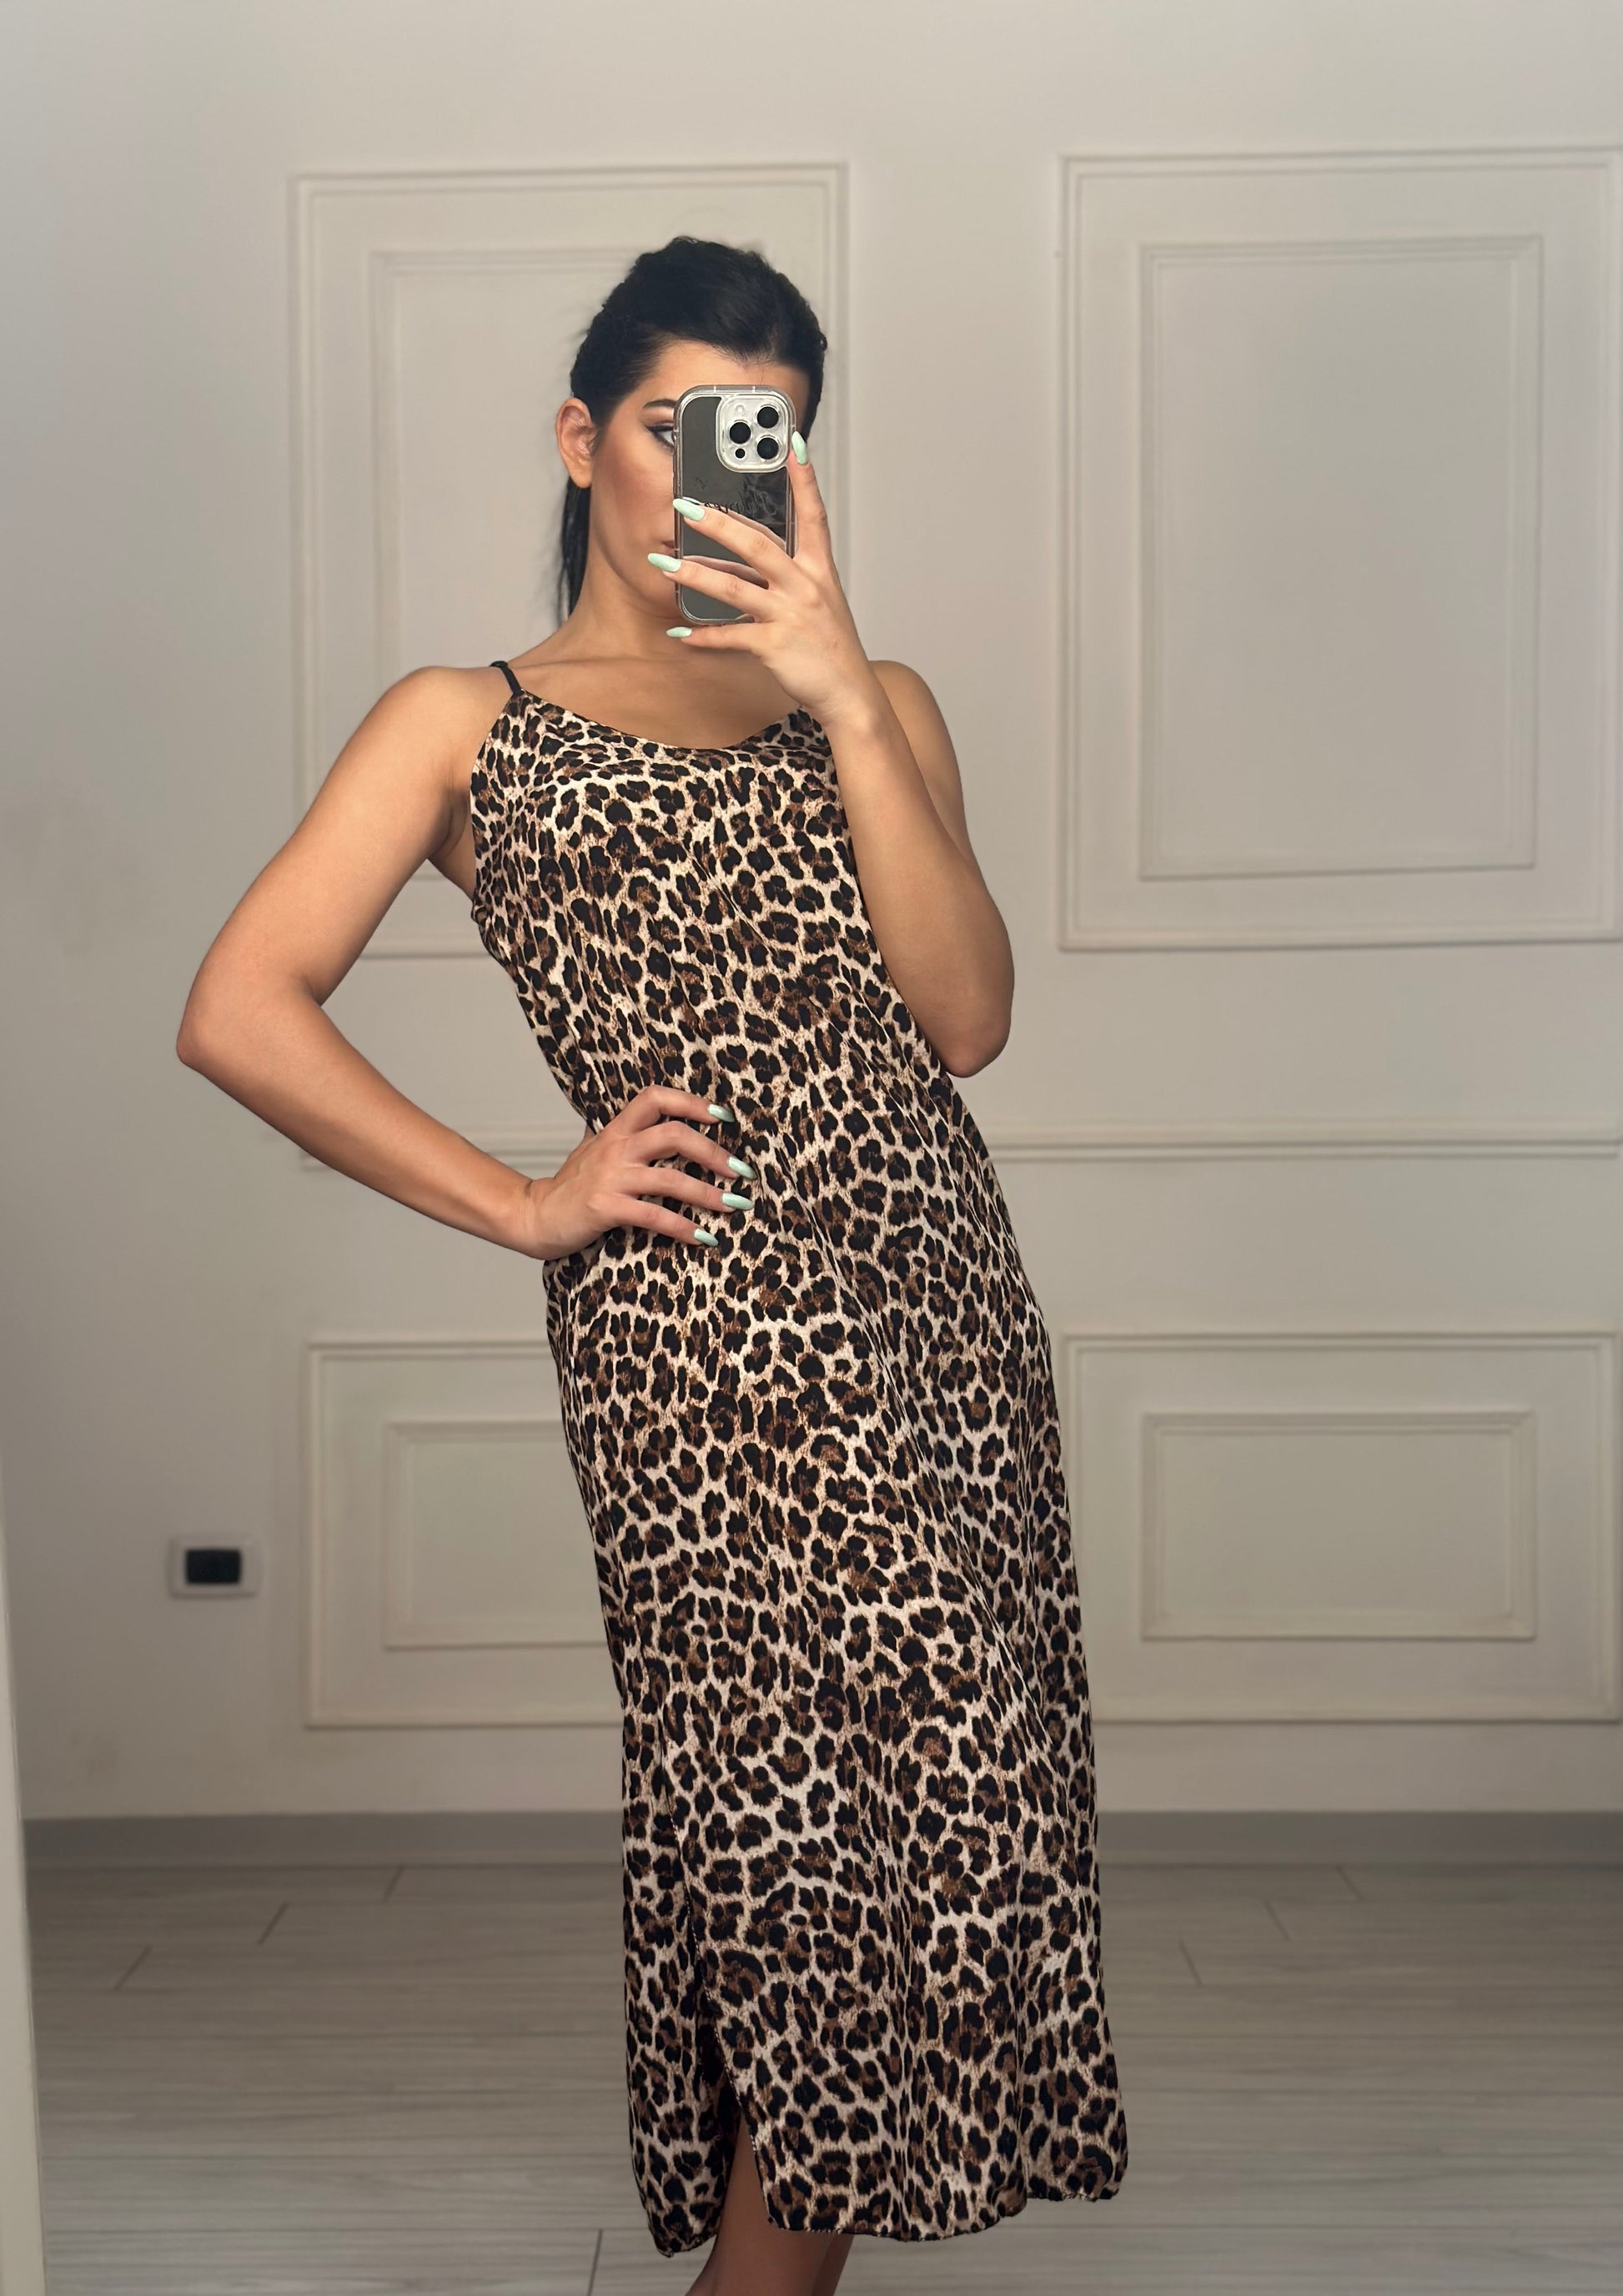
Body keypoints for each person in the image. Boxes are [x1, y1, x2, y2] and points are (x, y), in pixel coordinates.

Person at [177, 235, 1128, 2296]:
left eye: (761, 434)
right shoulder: (465, 722)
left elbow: (965, 1021)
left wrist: (840, 692)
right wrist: (525, 1201)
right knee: (796, 1845)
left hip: (940, 1313)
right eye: (678, 424)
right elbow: (241, 1006)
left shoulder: (876, 703)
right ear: (581, 437)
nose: (712, 466)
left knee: (957, 1804)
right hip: (700, 1347)